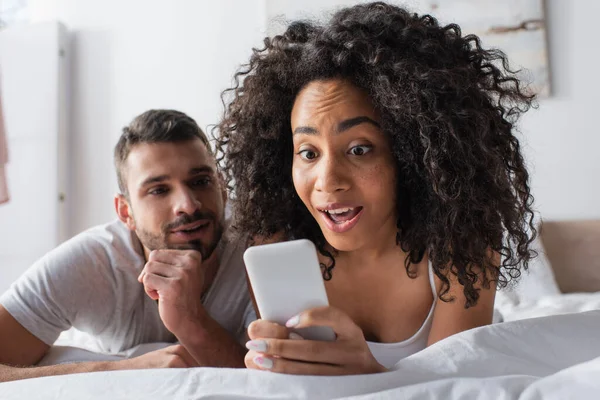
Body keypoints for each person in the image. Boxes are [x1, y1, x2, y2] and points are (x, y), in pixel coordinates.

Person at [216, 2, 536, 375]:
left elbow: (453, 388)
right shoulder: (274, 243)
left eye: (359, 149)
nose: (328, 180)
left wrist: (367, 372)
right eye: (308, 152)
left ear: (412, 156)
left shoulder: (465, 241)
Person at [0, 109, 253, 382]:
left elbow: (281, 378)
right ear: (125, 212)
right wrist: (123, 370)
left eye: (201, 182)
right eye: (159, 190)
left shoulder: (257, 246)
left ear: (223, 190)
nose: (188, 205)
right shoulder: (90, 263)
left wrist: (189, 319)